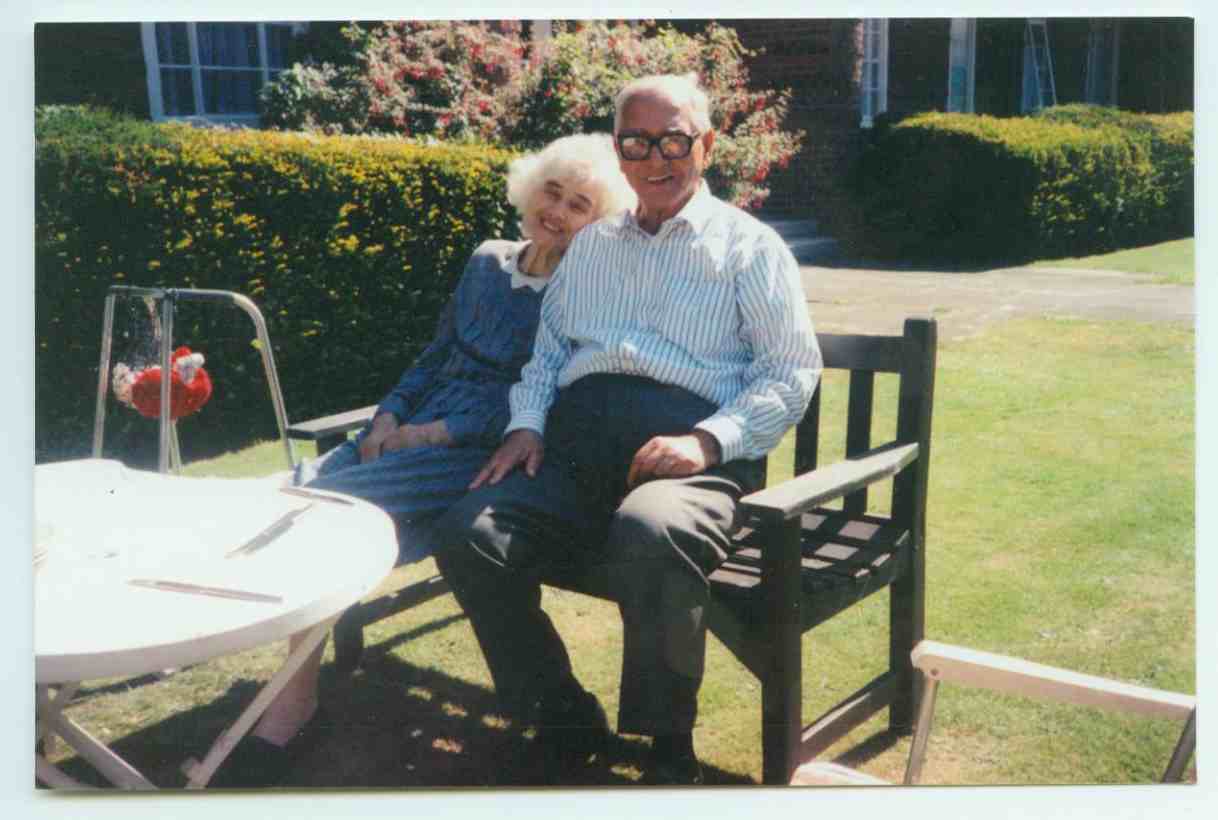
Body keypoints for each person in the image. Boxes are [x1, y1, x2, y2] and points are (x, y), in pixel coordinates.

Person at [209, 132, 637, 788]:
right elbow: (436, 354)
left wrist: (427, 434)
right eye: (552, 191)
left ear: (597, 223)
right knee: (289, 495)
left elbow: (540, 397)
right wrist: (388, 415)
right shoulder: (487, 260)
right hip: (410, 426)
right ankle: (286, 696)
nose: (556, 210)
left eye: (579, 205)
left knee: (325, 516)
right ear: (530, 187)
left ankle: (290, 708)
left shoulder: (584, 292)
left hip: (476, 450)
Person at [432, 73, 823, 785]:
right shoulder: (592, 247)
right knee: (470, 533)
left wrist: (707, 441)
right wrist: (526, 426)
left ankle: (669, 749)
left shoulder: (750, 247)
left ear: (706, 145)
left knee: (649, 531)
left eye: (673, 141)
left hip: (694, 458)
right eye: (637, 143)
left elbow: (792, 372)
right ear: (619, 151)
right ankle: (563, 714)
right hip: (577, 457)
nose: (655, 158)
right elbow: (549, 354)